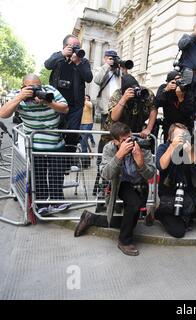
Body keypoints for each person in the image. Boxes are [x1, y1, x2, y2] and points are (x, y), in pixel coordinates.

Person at [73, 122, 156, 256]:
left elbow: (151, 173)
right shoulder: (109, 149)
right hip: (120, 184)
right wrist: (119, 156)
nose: (130, 142)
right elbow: (105, 174)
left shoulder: (142, 146)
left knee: (132, 222)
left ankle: (91, 218)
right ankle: (124, 242)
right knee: (133, 204)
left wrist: (140, 161)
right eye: (124, 140)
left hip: (140, 185)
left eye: (130, 138)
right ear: (115, 141)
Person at [0, 74, 69, 216]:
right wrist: (20, 97)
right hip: (34, 144)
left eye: (38, 86)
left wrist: (47, 102)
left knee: (57, 174)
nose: (35, 90)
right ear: (23, 87)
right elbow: (3, 114)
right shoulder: (20, 98)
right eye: (30, 88)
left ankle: (57, 201)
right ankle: (41, 204)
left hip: (56, 142)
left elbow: (65, 108)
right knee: (38, 175)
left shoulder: (49, 90)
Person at [155, 123, 196, 238]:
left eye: (185, 135)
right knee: (178, 232)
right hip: (171, 193)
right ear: (170, 137)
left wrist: (189, 153)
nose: (183, 138)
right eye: (179, 136)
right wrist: (173, 147)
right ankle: (161, 213)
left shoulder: (190, 149)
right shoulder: (164, 147)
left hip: (190, 192)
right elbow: (161, 165)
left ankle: (192, 214)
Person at [44, 34, 93, 150]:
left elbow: (89, 78)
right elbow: (47, 65)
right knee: (55, 132)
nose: (76, 48)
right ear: (65, 46)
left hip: (75, 106)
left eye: (78, 46)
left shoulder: (83, 62)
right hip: (57, 104)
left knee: (72, 134)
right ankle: (54, 158)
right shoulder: (58, 58)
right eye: (73, 46)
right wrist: (62, 54)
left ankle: (69, 161)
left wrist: (78, 63)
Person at [155, 70, 196, 141]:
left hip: (184, 126)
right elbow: (157, 103)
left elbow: (189, 112)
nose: (178, 82)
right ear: (168, 82)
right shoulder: (164, 88)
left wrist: (181, 98)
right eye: (175, 81)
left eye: (180, 79)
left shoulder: (186, 89)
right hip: (169, 126)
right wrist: (166, 90)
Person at [94, 50, 127, 129]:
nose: (113, 60)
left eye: (114, 59)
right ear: (104, 59)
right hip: (106, 107)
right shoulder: (101, 69)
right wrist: (107, 65)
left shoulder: (119, 71)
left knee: (119, 131)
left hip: (119, 105)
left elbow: (127, 81)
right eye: (110, 58)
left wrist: (124, 69)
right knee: (105, 133)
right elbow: (97, 80)